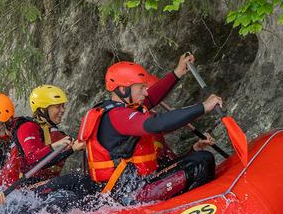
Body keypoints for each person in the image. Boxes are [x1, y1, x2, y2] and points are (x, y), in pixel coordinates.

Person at [79, 53, 221, 204]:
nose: (146, 92)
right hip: (131, 196)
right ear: (122, 90)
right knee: (202, 161)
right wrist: (203, 107)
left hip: (138, 185)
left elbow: (152, 97)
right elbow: (156, 124)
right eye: (142, 88)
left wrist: (178, 72)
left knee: (198, 158)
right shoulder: (117, 115)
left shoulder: (126, 108)